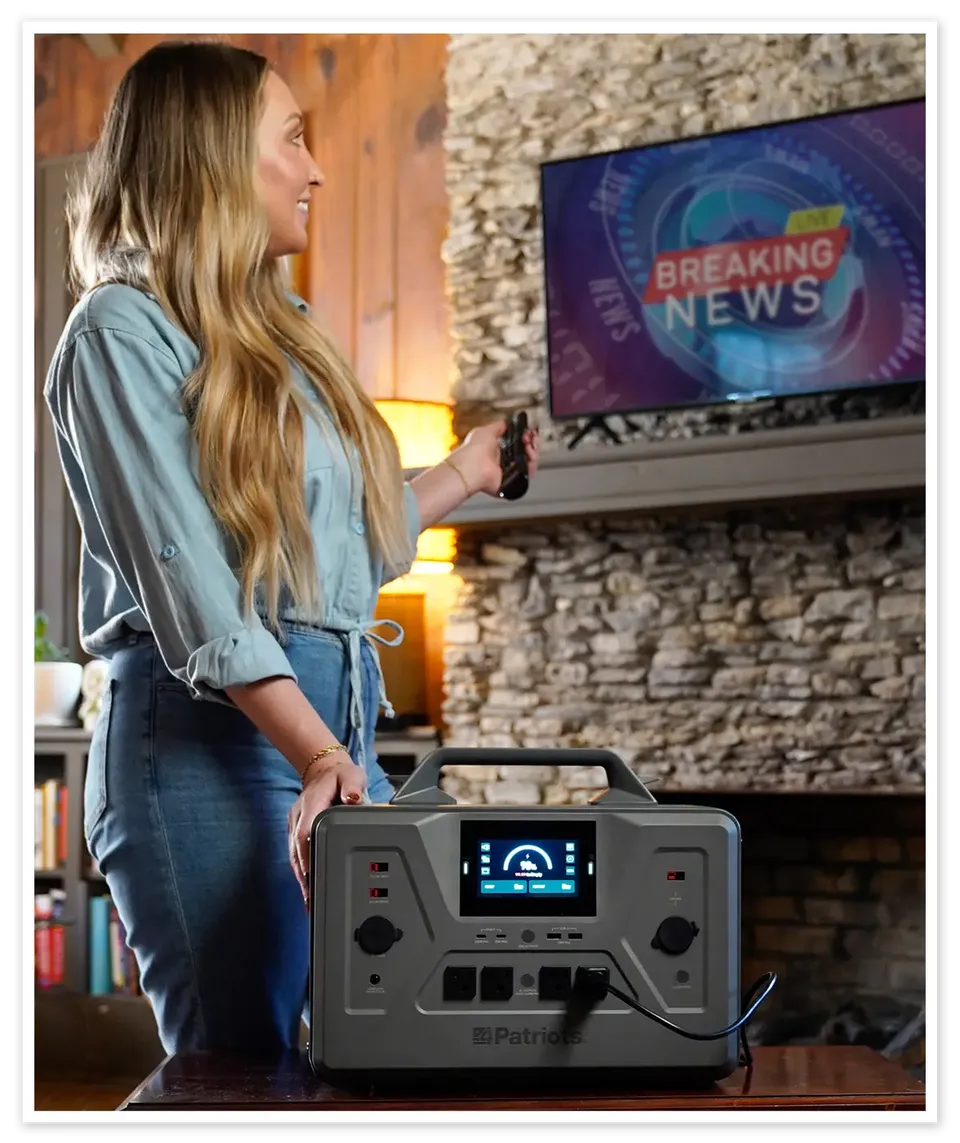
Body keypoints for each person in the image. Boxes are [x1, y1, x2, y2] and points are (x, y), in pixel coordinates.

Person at [42, 39, 540, 1058]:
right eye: (294, 140)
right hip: (207, 746)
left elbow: (340, 554)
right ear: (215, 160)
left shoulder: (285, 334)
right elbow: (195, 587)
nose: (316, 171)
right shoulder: (116, 334)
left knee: (396, 1040)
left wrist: (466, 469)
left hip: (336, 736)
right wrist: (316, 751)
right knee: (242, 1072)